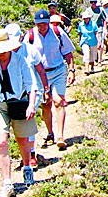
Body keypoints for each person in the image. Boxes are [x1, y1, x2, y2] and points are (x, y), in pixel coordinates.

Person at [0, 28, 39, 197]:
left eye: (3, 51)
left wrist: (31, 105)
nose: (0, 54)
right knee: (0, 142)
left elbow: (31, 84)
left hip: (19, 102)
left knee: (22, 139)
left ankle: (27, 168)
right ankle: (7, 183)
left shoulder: (21, 61)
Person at [24, 9, 76, 151]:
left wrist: (71, 70)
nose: (42, 27)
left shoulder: (57, 32)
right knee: (45, 104)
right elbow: (23, 57)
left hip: (58, 70)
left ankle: (60, 136)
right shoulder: (30, 36)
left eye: (44, 24)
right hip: (39, 75)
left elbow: (68, 52)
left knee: (58, 101)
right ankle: (50, 132)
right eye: (39, 24)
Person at [5, 23, 48, 168]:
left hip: (32, 91)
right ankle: (25, 153)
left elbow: (40, 70)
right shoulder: (4, 53)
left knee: (27, 118)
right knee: (17, 124)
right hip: (13, 94)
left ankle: (31, 154)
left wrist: (45, 87)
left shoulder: (31, 51)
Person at [85, 0, 108, 65]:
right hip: (90, 29)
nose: (93, 4)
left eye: (94, 2)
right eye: (92, 2)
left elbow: (104, 20)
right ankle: (93, 59)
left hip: (99, 28)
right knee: (91, 45)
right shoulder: (88, 11)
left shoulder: (100, 10)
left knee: (99, 44)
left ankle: (99, 60)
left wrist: (105, 29)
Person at [77, 9, 99, 74]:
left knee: (92, 55)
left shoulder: (93, 24)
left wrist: (98, 42)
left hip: (93, 41)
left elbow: (96, 32)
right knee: (86, 54)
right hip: (84, 41)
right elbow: (80, 33)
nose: (86, 20)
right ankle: (86, 68)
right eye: (84, 18)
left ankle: (92, 67)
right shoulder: (81, 25)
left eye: (87, 18)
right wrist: (79, 41)